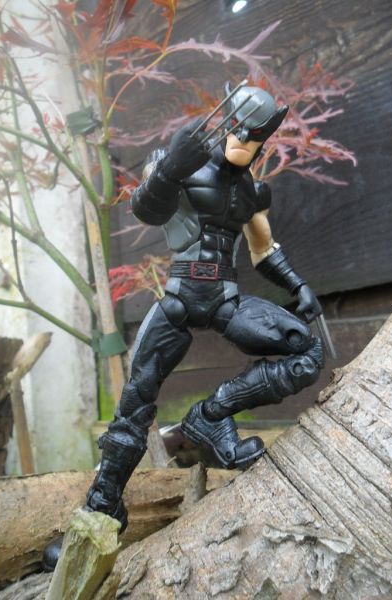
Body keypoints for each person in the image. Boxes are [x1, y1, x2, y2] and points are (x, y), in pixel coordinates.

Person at [44, 84, 324, 568]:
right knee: (133, 405)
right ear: (226, 121)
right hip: (178, 299)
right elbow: (146, 209)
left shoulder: (252, 191)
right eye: (237, 128)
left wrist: (297, 285)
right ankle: (100, 510)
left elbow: (263, 250)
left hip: (224, 300)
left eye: (254, 136)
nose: (242, 140)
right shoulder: (183, 162)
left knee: (306, 352)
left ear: (263, 140)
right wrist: (171, 168)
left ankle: (211, 417)